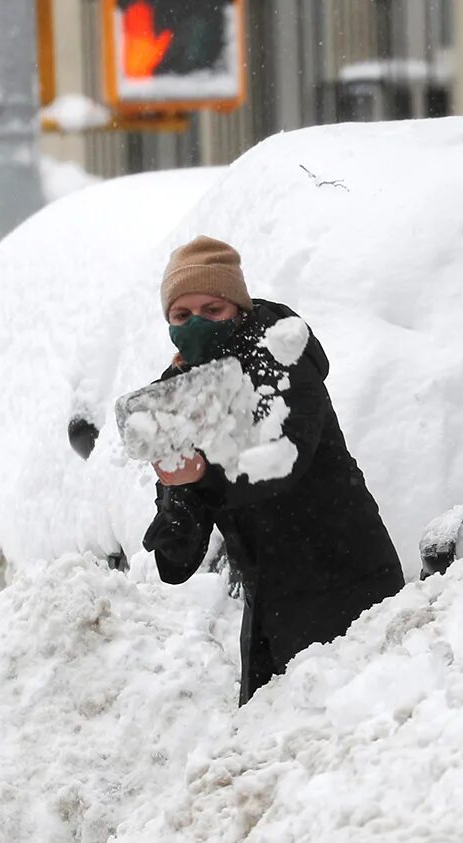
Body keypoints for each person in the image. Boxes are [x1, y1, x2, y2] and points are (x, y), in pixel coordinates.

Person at [142, 235, 403, 705]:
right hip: (270, 609)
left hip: (349, 583)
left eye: (211, 310)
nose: (196, 325)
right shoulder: (180, 393)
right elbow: (176, 562)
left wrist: (202, 474)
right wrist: (175, 495)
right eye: (181, 316)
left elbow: (279, 463)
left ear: (237, 308)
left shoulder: (281, 358)